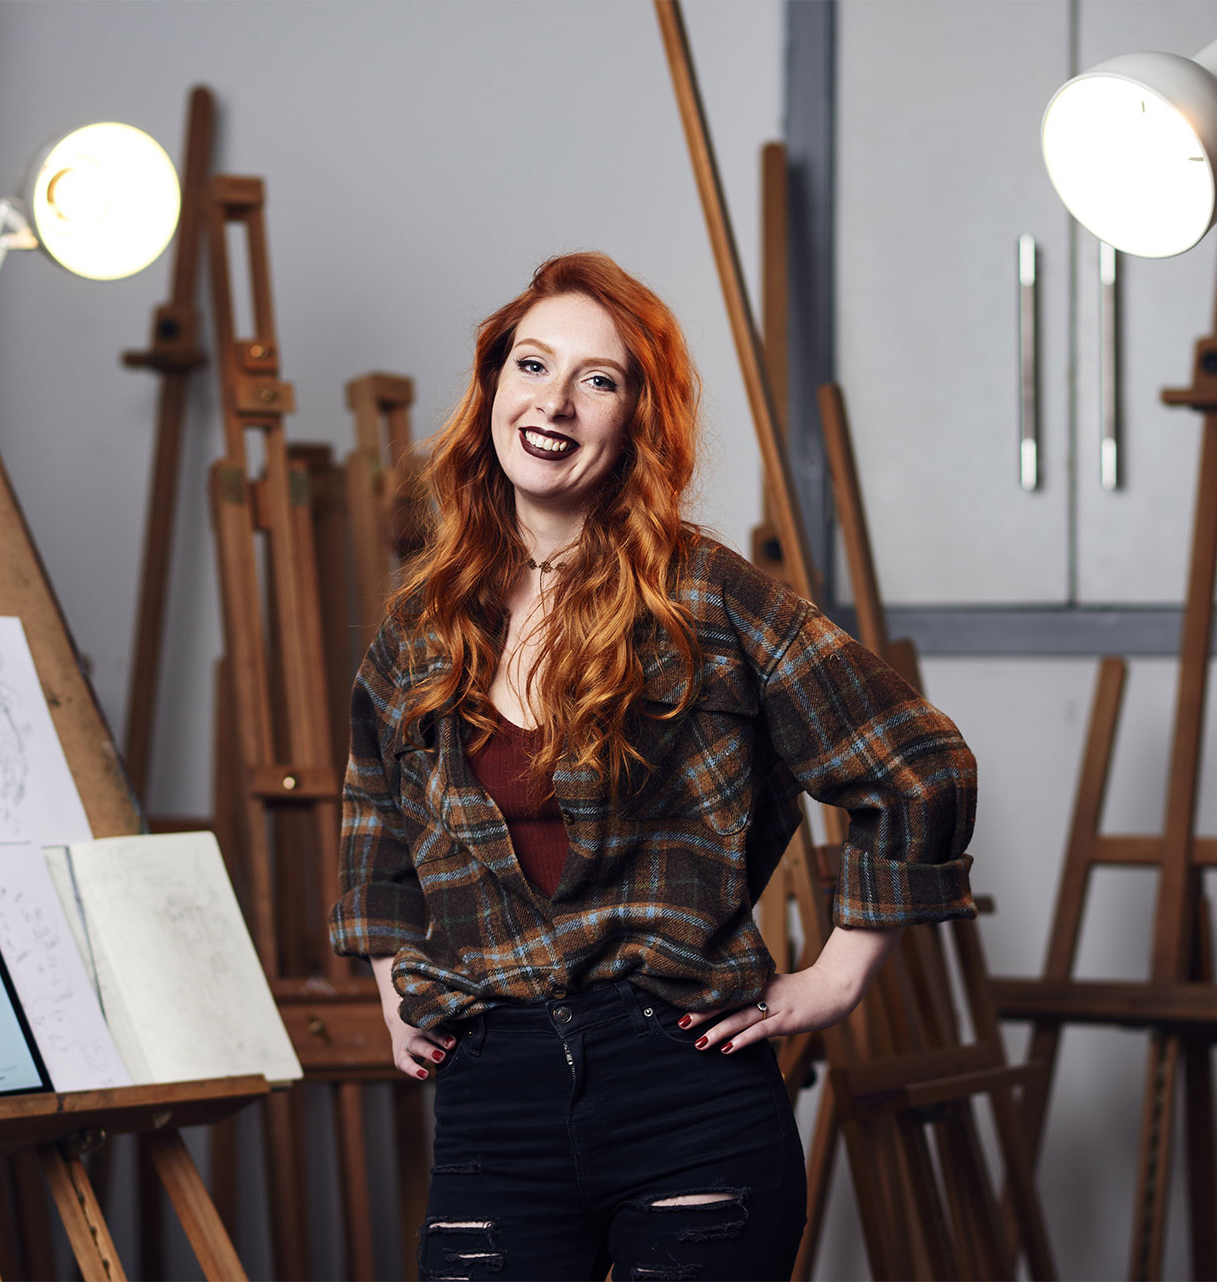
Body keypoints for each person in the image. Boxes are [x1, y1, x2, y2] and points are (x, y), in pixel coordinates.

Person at [329, 251, 976, 1281]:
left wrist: (839, 978)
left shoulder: (707, 598)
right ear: (493, 388)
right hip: (492, 1100)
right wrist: (387, 979)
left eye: (600, 379)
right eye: (532, 366)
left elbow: (918, 761)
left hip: (685, 1093)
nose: (556, 402)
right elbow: (374, 799)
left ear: (639, 417)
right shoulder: (422, 625)